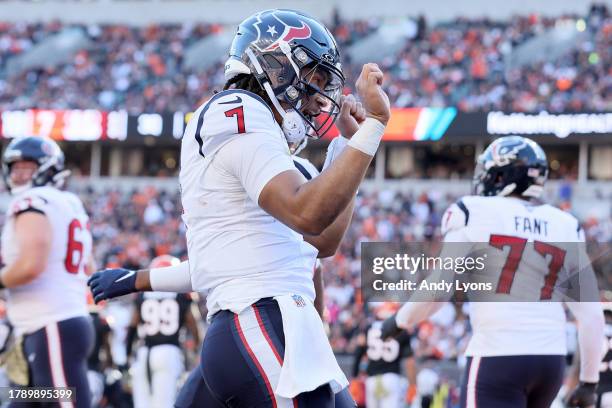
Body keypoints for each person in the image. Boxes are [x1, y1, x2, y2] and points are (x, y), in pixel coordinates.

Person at [92, 7, 390, 406]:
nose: (319, 102)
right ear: (277, 65)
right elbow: (309, 214)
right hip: (258, 318)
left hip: (285, 326)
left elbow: (325, 239)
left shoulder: (282, 159)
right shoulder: (235, 110)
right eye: (314, 80)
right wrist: (374, 125)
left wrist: (349, 146)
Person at [381, 136, 604, 408]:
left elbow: (439, 289)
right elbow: (591, 315)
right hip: (550, 362)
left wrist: (398, 321)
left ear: (501, 176)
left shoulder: (473, 211)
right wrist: (589, 382)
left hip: (499, 355)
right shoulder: (565, 224)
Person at [0, 136, 94, 408]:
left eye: (27, 167)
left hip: (51, 326)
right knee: (22, 402)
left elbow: (31, 265)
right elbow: (88, 266)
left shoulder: (32, 200)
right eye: (15, 167)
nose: (18, 174)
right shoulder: (69, 203)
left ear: (48, 168)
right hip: (47, 326)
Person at [126, 255, 200, 408]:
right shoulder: (181, 295)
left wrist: (127, 354)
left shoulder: (143, 295)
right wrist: (197, 349)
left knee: (142, 404)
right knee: (165, 403)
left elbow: (132, 326)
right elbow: (194, 326)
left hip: (144, 352)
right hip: (169, 352)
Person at [352, 303, 417, 408]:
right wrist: (412, 385)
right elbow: (409, 362)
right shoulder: (402, 332)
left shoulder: (369, 329)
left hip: (371, 380)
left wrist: (354, 376)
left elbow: (359, 352)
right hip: (391, 379)